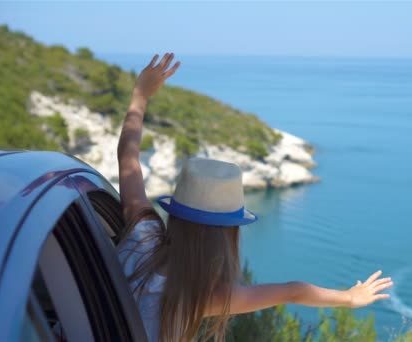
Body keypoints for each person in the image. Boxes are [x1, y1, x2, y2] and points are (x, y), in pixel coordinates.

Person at [116, 53, 393, 341]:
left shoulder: (142, 238)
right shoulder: (202, 297)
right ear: (228, 234)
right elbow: (293, 291)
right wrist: (349, 298)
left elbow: (128, 160)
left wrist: (140, 95)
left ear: (176, 212)